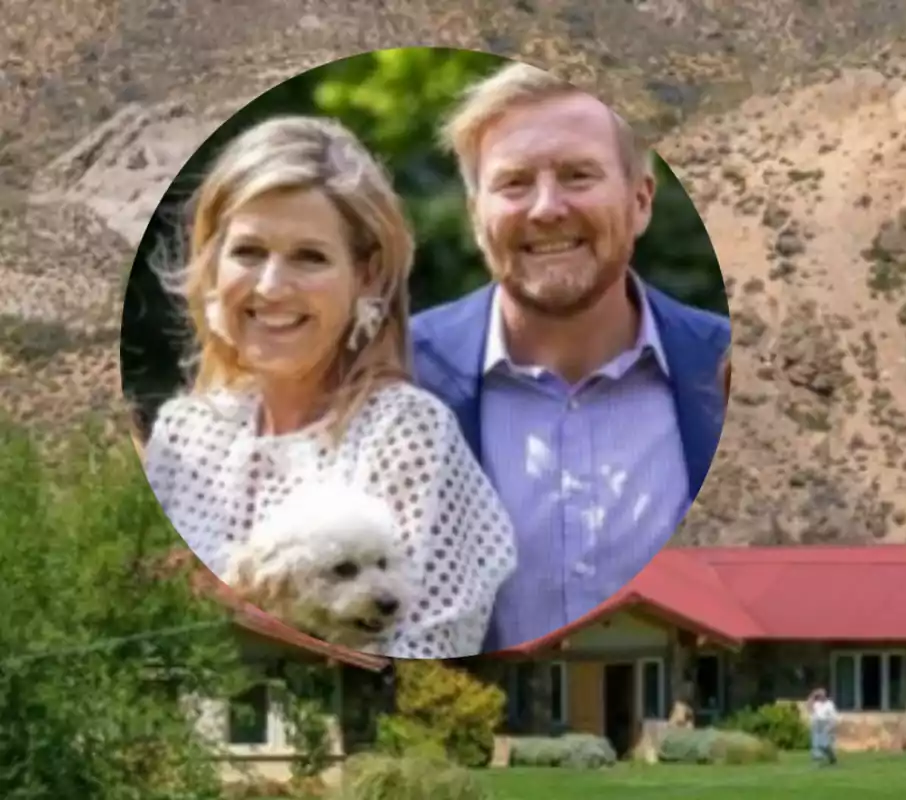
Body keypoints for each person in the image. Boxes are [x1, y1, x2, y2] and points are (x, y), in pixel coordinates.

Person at [139, 115, 517, 659]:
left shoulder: (405, 433)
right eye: (248, 252)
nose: (271, 287)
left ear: (366, 275)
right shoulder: (184, 435)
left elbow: (423, 656)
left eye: (309, 257)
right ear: (213, 262)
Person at [411, 62, 731, 651]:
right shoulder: (392, 378)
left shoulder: (732, 371)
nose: (546, 208)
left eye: (579, 175)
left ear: (640, 201)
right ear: (475, 214)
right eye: (514, 184)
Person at [808, 688, 839, 765]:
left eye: (822, 695)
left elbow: (833, 717)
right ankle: (818, 759)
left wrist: (830, 726)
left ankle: (831, 756)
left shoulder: (829, 704)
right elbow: (809, 707)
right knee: (816, 744)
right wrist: (813, 695)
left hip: (825, 724)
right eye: (819, 695)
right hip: (816, 724)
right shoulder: (816, 703)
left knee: (824, 744)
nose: (820, 696)